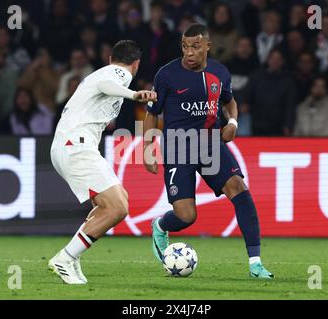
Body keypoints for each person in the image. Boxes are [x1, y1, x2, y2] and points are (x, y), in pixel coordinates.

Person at [143, 24, 273, 279]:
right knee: (186, 216)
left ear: (207, 47)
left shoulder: (220, 72)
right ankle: (160, 224)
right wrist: (148, 147)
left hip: (211, 144)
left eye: (195, 47)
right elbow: (151, 113)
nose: (189, 52)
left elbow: (230, 102)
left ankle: (255, 263)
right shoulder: (166, 75)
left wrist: (233, 123)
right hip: (178, 147)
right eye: (185, 46)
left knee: (238, 187)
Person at [48, 40, 157, 285]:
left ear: (110, 57)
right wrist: (133, 94)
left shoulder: (103, 71)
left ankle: (70, 256)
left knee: (118, 202)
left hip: (73, 145)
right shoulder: (117, 74)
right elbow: (107, 83)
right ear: (136, 64)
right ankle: (65, 258)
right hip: (76, 146)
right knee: (117, 207)